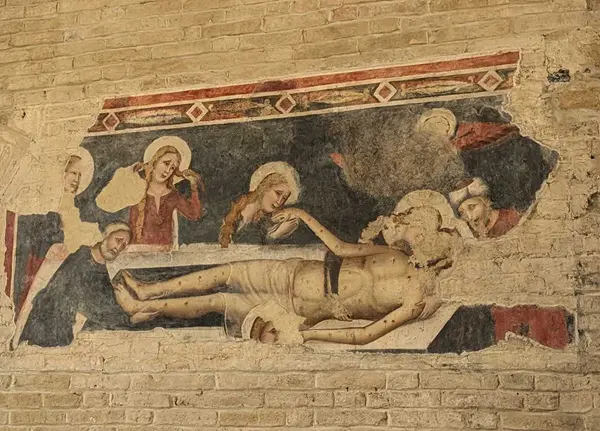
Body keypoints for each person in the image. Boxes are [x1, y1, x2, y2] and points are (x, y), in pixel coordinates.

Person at [114, 204, 456, 346]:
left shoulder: (415, 303)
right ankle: (148, 291)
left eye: (420, 229)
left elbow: (364, 334)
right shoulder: (396, 256)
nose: (414, 232)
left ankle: (146, 308)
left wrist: (308, 335)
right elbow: (341, 249)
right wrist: (303, 216)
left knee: (220, 301)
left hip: (301, 309)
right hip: (294, 272)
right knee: (226, 272)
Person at [18, 223, 133, 347]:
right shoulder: (81, 260)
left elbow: (105, 300)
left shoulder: (99, 267)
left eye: (123, 246)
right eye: (118, 240)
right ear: (106, 235)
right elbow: (92, 307)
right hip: (48, 335)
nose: (119, 248)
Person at [129, 137, 204, 245]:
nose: (168, 170)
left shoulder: (173, 195)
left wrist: (193, 186)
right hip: (140, 252)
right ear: (154, 162)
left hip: (166, 252)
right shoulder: (138, 193)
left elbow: (194, 214)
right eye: (166, 163)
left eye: (173, 168)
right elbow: (132, 228)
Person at [218, 161, 302, 248]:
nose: (279, 201)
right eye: (278, 193)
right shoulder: (230, 208)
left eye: (284, 198)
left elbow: (258, 250)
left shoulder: (266, 222)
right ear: (264, 187)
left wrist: (275, 235)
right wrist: (273, 235)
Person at [449, 178, 521, 239]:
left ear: (485, 201)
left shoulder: (510, 219)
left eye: (472, 207)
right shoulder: (470, 232)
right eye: (462, 212)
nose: (470, 217)